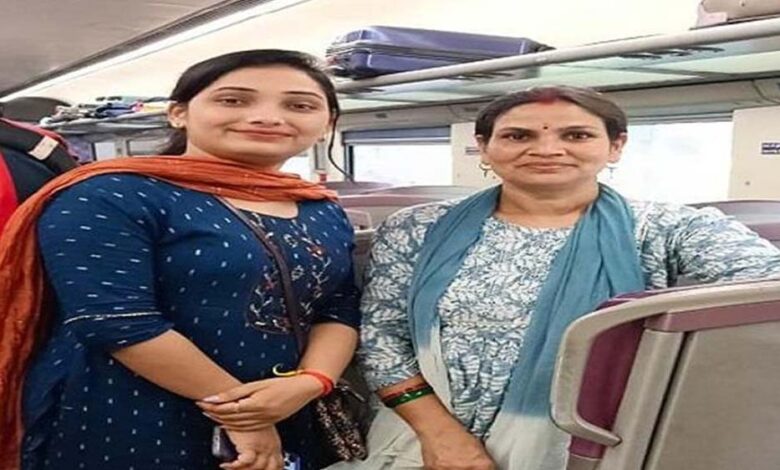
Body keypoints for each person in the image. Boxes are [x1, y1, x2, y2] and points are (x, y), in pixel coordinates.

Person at [329, 85, 780, 470]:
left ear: (616, 146)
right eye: (518, 135)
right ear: (484, 147)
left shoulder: (670, 229)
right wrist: (440, 436)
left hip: (590, 438)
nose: (546, 149)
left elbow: (765, 289)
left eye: (576, 135)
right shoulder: (417, 227)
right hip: (423, 433)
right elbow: (382, 337)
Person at [0, 49, 360, 470]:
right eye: (233, 100)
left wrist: (312, 382)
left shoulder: (320, 208)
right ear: (178, 113)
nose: (267, 117)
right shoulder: (110, 194)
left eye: (299, 106)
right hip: (129, 411)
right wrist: (243, 417)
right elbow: (117, 320)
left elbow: (338, 306)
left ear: (328, 124)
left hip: (286, 404)